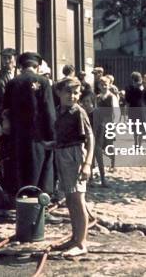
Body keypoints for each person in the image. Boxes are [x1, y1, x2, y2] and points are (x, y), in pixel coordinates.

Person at [49, 77, 94, 257]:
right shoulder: (60, 111)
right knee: (69, 199)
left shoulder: (78, 111)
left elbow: (90, 138)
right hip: (62, 155)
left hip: (75, 156)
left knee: (77, 199)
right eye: (68, 92)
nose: (72, 96)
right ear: (59, 93)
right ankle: (75, 238)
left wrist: (87, 164)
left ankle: (82, 244)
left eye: (76, 93)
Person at [2, 52, 56, 196]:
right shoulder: (43, 82)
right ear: (37, 66)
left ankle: (21, 205)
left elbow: (5, 110)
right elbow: (49, 111)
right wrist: (52, 136)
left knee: (20, 171)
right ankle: (37, 208)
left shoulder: (12, 83)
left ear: (20, 66)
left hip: (17, 136)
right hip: (38, 137)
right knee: (39, 173)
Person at [0, 48, 17, 199]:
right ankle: (6, 187)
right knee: (4, 153)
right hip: (4, 122)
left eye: (9, 58)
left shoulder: (20, 75)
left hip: (18, 122)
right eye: (4, 58)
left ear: (15, 59)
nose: (7, 61)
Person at [93, 76, 117, 186]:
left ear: (109, 85)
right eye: (101, 84)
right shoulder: (97, 97)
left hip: (108, 123)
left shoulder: (111, 97)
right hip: (99, 124)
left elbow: (115, 112)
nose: (103, 86)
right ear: (99, 86)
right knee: (98, 146)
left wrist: (113, 124)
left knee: (109, 146)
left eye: (105, 84)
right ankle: (96, 173)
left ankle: (113, 163)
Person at [125, 72, 144, 147]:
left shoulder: (128, 87)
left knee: (134, 126)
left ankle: (136, 141)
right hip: (141, 108)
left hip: (132, 108)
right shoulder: (142, 87)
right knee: (141, 126)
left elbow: (127, 99)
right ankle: (139, 143)